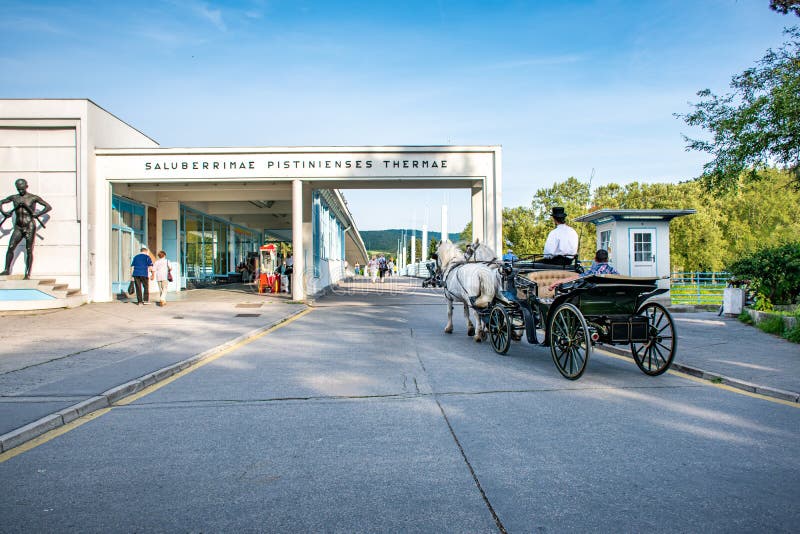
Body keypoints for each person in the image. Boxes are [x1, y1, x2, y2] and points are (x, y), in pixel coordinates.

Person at [0, 178, 52, 279]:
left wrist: (38, 213)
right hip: (18, 227)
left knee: (28, 249)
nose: (21, 191)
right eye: (19, 189)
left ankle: (27, 273)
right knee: (11, 247)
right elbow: (1, 202)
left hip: (29, 226)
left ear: (26, 187)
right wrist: (4, 212)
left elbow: (48, 207)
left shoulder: (33, 198)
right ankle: (6, 270)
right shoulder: (14, 198)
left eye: (22, 189)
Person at [548, 249, 619, 290]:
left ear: (595, 259)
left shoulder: (592, 272)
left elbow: (574, 278)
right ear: (607, 259)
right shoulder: (614, 272)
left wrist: (555, 283)